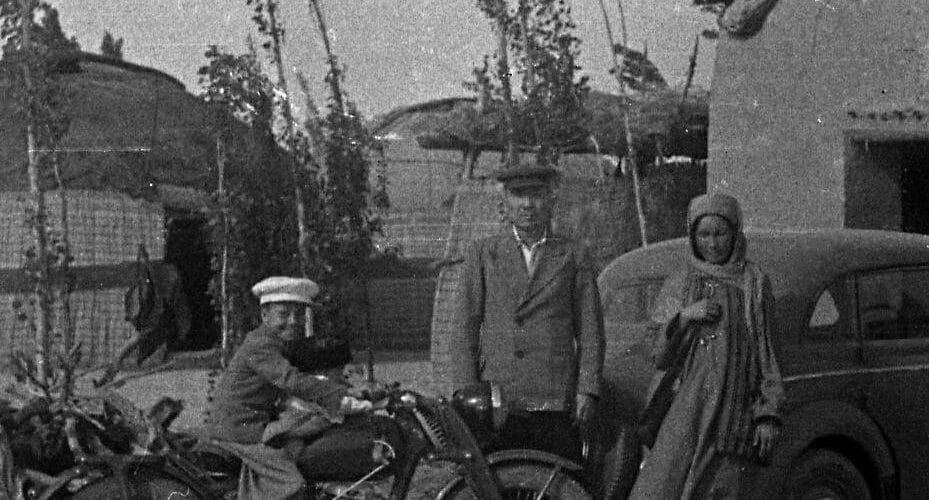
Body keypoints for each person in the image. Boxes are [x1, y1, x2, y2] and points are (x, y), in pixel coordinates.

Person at [629, 193, 785, 499]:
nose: (712, 244)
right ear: (693, 237)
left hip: (732, 415)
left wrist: (768, 414)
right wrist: (685, 316)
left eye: (720, 234)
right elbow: (657, 354)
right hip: (686, 412)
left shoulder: (754, 284)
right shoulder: (680, 283)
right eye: (704, 235)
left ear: (735, 233)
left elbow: (769, 355)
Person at [448, 164, 605, 463]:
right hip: (498, 398)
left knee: (554, 479)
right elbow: (464, 329)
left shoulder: (573, 254)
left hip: (554, 396)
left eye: (536, 194)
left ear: (551, 199)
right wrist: (466, 393)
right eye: (519, 195)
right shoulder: (483, 253)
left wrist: (587, 389)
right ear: (505, 201)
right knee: (501, 477)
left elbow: (590, 330)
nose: (528, 204)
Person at [204, 276, 372, 500]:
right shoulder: (260, 345)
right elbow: (291, 380)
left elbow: (307, 373)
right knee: (292, 484)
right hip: (239, 427)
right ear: (265, 314)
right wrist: (340, 395)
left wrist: (349, 383)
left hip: (252, 422)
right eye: (284, 314)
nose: (293, 321)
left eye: (299, 315)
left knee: (305, 448)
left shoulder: (276, 342)